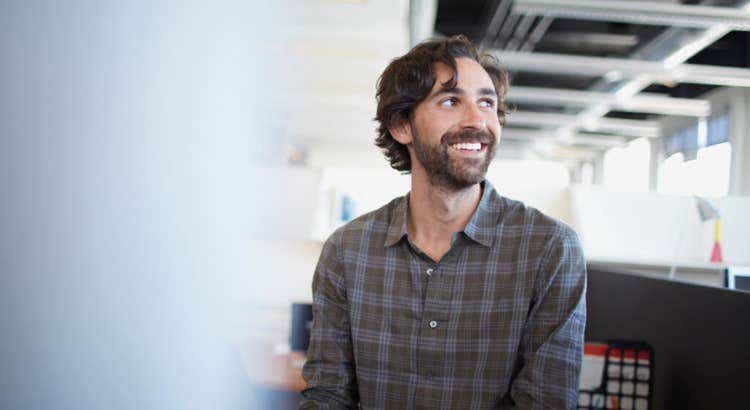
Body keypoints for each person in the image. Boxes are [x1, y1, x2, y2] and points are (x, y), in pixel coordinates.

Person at [300, 35, 586, 409]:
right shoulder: (347, 251)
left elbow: (546, 402)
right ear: (402, 126)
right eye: (451, 101)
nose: (477, 120)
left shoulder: (550, 249)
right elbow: (328, 395)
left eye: (487, 102)